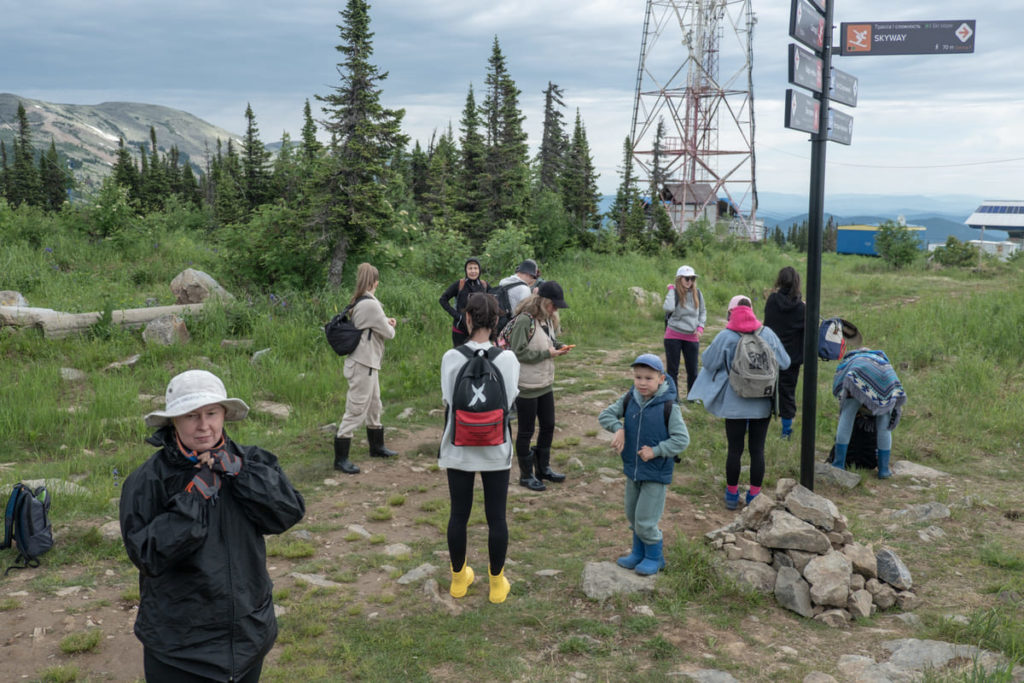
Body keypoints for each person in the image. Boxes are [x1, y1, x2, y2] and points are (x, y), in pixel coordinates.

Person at [120, 370, 305, 683]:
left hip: (248, 636)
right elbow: (148, 555)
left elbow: (287, 513)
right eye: (191, 415)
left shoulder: (251, 461)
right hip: (179, 650)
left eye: (211, 413)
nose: (203, 425)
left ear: (224, 415)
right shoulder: (147, 479)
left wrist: (241, 473)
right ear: (173, 421)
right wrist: (193, 499)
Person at [439, 292, 521, 603]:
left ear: (467, 318)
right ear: (497, 320)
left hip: (458, 448)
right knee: (496, 517)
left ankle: (459, 581)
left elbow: (448, 399)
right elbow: (510, 400)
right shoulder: (508, 359)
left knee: (458, 515)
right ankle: (497, 584)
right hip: (495, 449)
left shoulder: (451, 357)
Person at [687, 296, 790, 510]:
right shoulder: (767, 334)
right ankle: (754, 496)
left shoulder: (725, 336)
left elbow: (708, 362)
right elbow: (786, 362)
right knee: (757, 450)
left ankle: (732, 495)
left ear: (730, 313)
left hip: (734, 402)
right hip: (762, 401)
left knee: (735, 450)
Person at [598, 354, 690, 576]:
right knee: (633, 515)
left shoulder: (669, 406)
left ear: (661, 378)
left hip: (656, 473)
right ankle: (638, 553)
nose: (642, 383)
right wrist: (618, 428)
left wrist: (656, 451)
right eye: (638, 377)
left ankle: (655, 558)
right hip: (633, 470)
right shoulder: (630, 398)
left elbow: (681, 440)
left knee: (646, 520)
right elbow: (606, 415)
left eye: (649, 378)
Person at [333, 262, 399, 474]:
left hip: (367, 362)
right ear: (375, 282)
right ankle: (341, 458)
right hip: (364, 363)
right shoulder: (370, 304)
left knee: (374, 404)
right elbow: (389, 333)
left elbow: (373, 323)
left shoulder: (360, 300)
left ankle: (377, 447)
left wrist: (385, 321)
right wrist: (390, 325)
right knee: (356, 408)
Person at [506, 280, 572, 491]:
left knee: (548, 425)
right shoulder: (524, 321)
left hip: (545, 383)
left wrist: (559, 347)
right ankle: (526, 475)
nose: (556, 309)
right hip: (526, 386)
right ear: (543, 302)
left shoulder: (547, 320)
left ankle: (543, 468)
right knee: (526, 431)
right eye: (554, 305)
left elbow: (547, 342)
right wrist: (546, 354)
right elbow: (517, 352)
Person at [831, 344, 907, 479]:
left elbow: (839, 384)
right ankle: (883, 470)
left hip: (856, 378)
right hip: (886, 383)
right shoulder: (883, 362)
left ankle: (838, 464)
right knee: (884, 425)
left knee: (847, 417)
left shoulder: (850, 360)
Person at [763, 266, 806, 439]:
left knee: (764, 389)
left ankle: (755, 426)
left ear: (779, 281)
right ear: (797, 282)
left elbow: (767, 325)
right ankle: (786, 431)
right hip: (791, 358)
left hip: (770, 354)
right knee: (787, 393)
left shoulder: (772, 300)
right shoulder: (802, 308)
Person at [663, 265, 707, 398]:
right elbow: (668, 308)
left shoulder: (697, 293)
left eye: (692, 278)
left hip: (692, 336)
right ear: (679, 279)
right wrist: (671, 291)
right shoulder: (674, 293)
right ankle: (673, 397)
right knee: (673, 370)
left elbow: (703, 311)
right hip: (673, 335)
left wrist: (700, 328)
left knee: (693, 370)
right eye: (686, 278)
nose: (689, 281)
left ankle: (692, 396)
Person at [439, 256, 489, 347]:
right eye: (470, 268)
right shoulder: (460, 284)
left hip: (479, 330)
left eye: (475, 268)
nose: (473, 271)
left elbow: (494, 301)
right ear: (466, 270)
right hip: (460, 330)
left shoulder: (484, 285)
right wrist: (458, 316)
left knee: (478, 355)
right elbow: (443, 300)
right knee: (460, 355)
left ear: (479, 270)